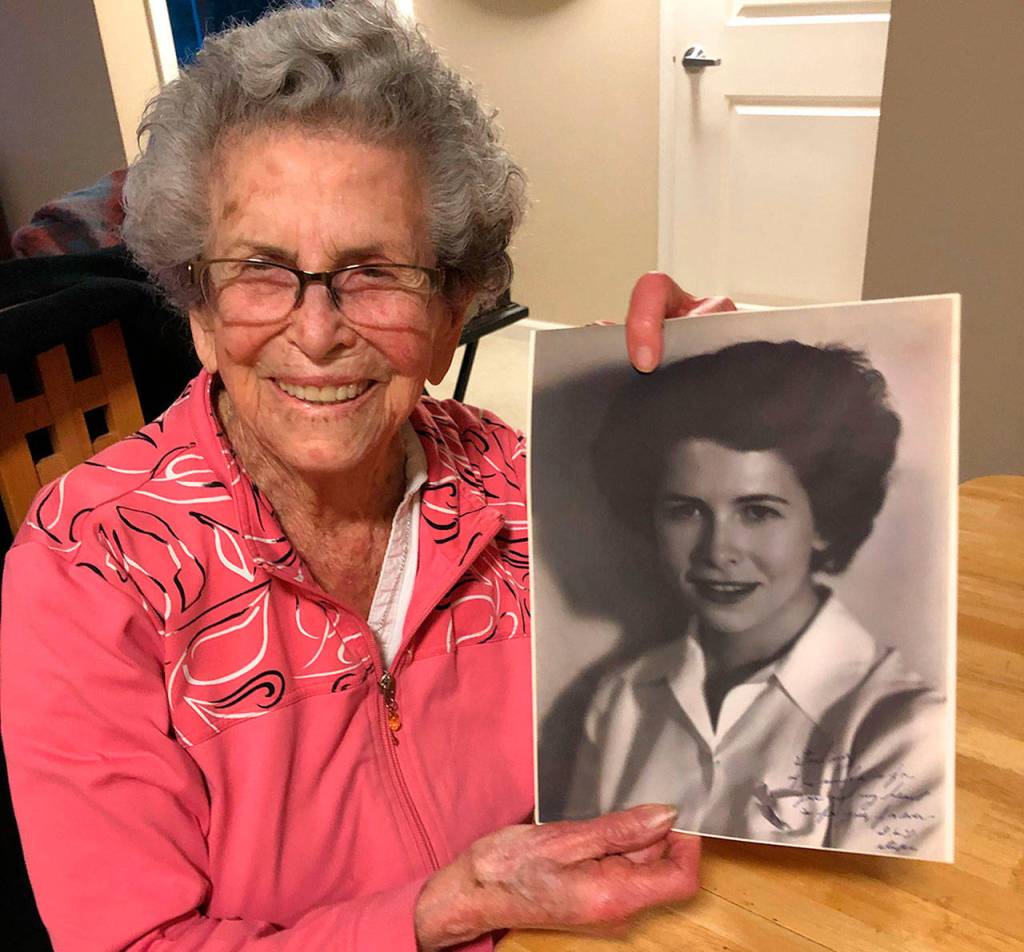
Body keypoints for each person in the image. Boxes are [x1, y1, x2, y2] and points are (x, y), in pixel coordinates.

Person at [0, 3, 732, 949]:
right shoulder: (92, 564)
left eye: (375, 271)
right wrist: (446, 911)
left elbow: (712, 690)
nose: (316, 332)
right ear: (201, 313)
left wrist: (720, 394)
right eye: (262, 268)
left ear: (451, 311)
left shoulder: (518, 484)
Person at [562, 340, 947, 859]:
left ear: (825, 522)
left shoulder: (903, 728)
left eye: (759, 512)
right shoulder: (622, 699)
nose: (719, 551)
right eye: (687, 510)